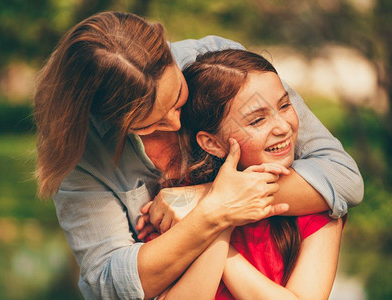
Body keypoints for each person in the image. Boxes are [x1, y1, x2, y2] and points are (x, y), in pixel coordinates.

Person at [33, 11, 363, 299]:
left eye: (178, 98)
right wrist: (213, 218)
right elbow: (112, 281)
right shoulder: (84, 157)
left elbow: (340, 177)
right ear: (110, 118)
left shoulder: (220, 67)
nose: (176, 123)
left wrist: (207, 199)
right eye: (151, 123)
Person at [138, 49, 343, 300]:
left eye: (285, 105)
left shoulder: (313, 202)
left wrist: (220, 224)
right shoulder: (176, 205)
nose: (283, 126)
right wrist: (219, 215)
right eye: (257, 121)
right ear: (211, 143)